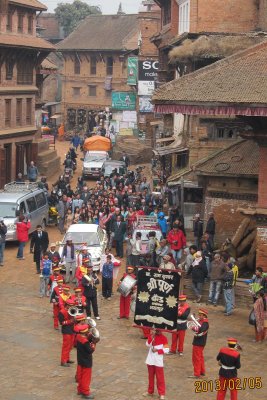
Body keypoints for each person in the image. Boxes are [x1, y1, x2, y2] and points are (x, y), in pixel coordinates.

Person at [143, 329, 169, 400]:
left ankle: (161, 393)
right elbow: (147, 344)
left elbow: (167, 350)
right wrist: (151, 336)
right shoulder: (152, 336)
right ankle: (150, 391)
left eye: (158, 330)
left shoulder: (164, 338)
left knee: (160, 378)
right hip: (150, 360)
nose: (157, 331)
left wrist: (157, 350)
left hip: (158, 361)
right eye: (155, 330)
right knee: (150, 377)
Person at [76, 324, 96, 399]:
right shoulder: (85, 341)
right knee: (86, 378)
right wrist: (94, 343)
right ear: (85, 332)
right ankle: (85, 392)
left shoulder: (78, 337)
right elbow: (90, 350)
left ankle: (80, 390)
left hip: (80, 360)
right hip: (87, 361)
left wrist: (89, 339)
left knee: (80, 376)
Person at [188, 308, 209, 379]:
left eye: (200, 315)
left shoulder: (205, 323)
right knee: (200, 357)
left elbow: (200, 330)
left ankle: (197, 373)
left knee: (196, 358)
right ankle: (202, 371)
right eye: (199, 315)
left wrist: (193, 328)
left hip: (199, 342)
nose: (199, 316)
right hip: (200, 341)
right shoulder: (201, 321)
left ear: (204, 315)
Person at [58, 298, 75, 367]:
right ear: (67, 305)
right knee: (66, 346)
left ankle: (67, 359)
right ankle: (63, 361)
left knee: (70, 346)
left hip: (71, 329)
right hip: (66, 330)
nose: (71, 307)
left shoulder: (72, 310)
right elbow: (61, 322)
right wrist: (70, 321)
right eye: (70, 306)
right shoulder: (62, 312)